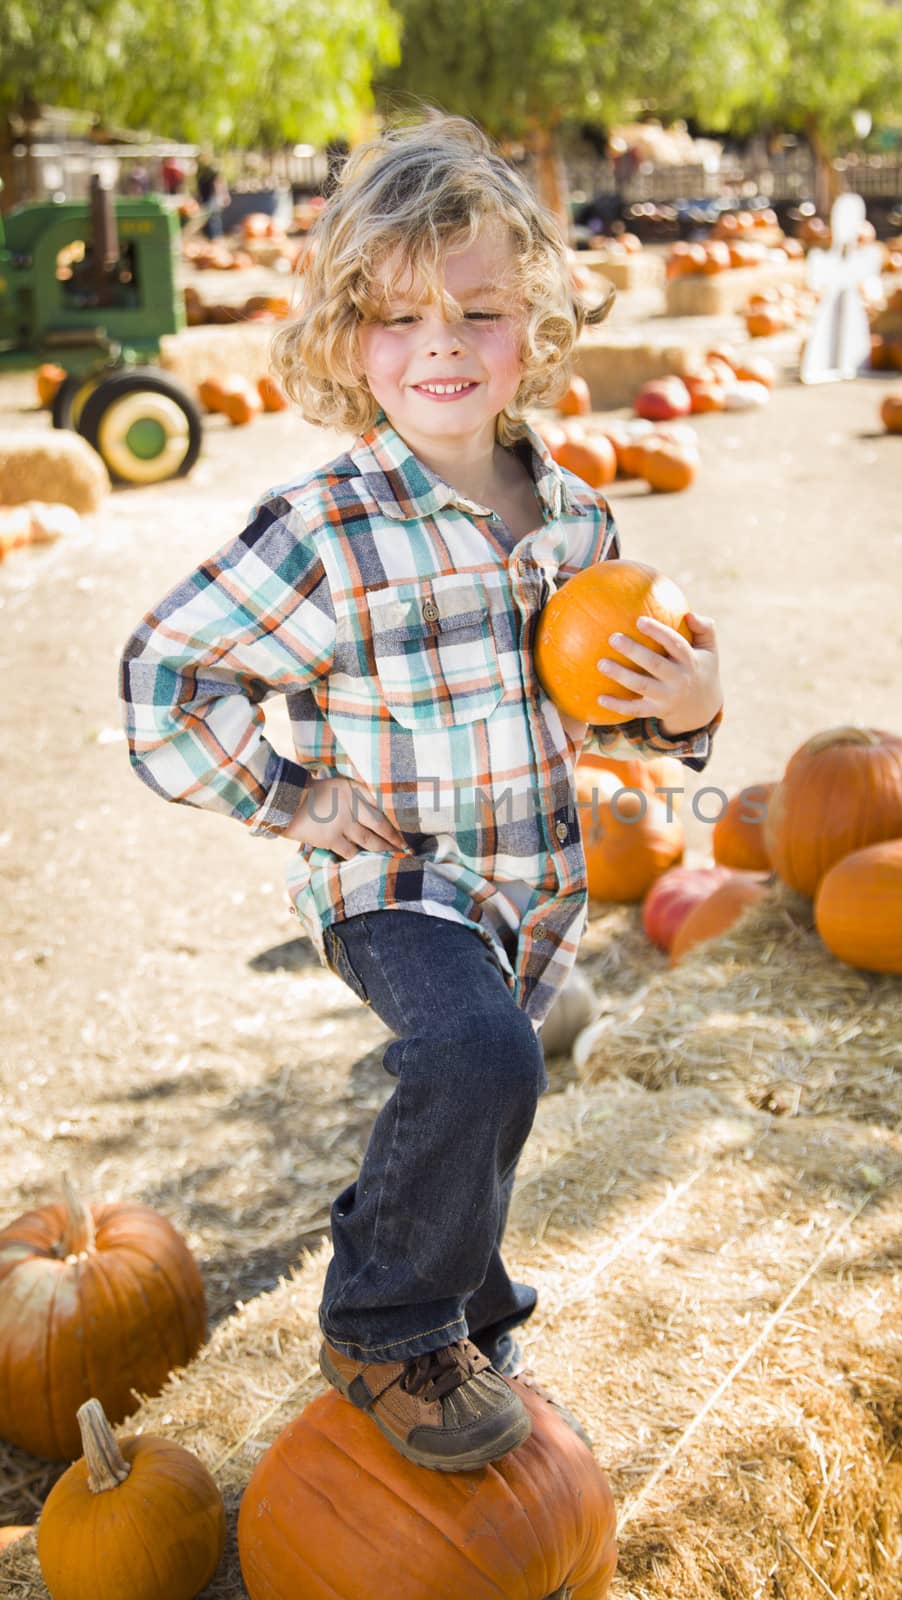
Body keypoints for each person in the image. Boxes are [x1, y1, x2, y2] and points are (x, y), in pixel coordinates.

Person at [118, 114, 723, 1474]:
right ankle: (387, 1320)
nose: (440, 345)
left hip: (526, 880)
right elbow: (165, 677)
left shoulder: (573, 521)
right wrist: (290, 796)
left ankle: (471, 1300)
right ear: (344, 342)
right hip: (396, 878)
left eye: (479, 310)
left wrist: (687, 715)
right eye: (395, 317)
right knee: (480, 1057)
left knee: (490, 1085)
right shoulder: (324, 528)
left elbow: (603, 706)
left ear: (539, 326)